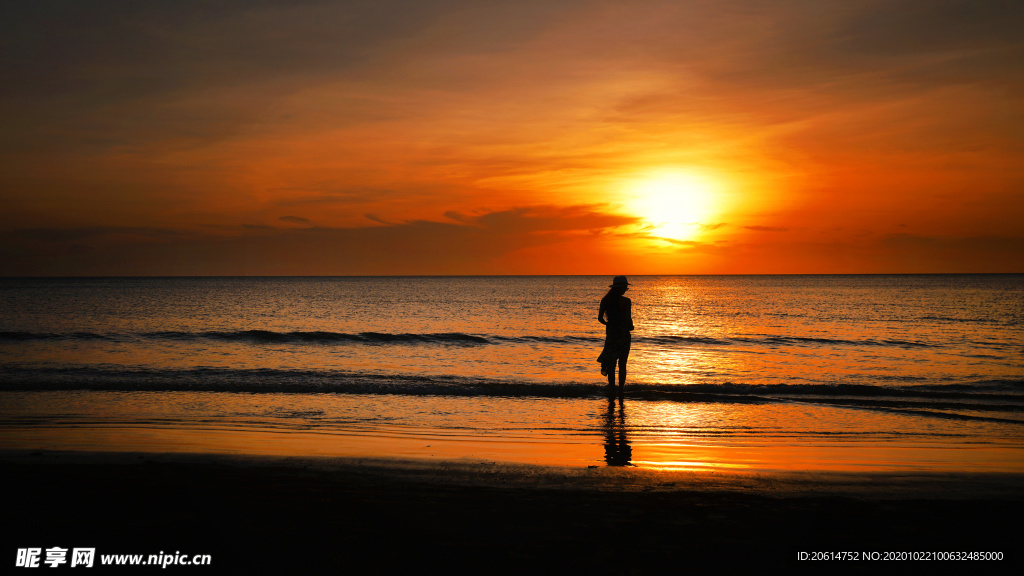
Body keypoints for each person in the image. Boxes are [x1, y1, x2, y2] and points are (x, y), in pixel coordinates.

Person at [597, 275, 634, 389]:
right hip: (623, 335)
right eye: (625, 288)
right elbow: (628, 320)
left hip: (612, 336)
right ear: (621, 288)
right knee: (622, 364)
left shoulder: (605, 300)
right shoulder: (626, 302)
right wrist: (631, 327)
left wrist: (609, 325)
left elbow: (600, 318)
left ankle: (612, 387)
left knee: (611, 363)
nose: (625, 290)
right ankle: (621, 389)